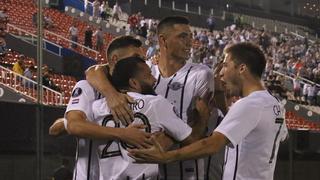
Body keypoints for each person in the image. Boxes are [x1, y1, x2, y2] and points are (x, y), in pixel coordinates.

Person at [85, 16, 222, 180]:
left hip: (185, 170)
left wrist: (162, 142)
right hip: (148, 170)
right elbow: (94, 71)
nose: (189, 42)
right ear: (163, 40)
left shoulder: (201, 74)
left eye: (190, 36)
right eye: (182, 36)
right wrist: (111, 95)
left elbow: (197, 120)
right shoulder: (144, 69)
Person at [129, 42, 289, 180]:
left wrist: (166, 157)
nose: (221, 72)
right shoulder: (274, 105)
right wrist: (219, 97)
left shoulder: (250, 104)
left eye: (226, 65)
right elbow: (262, 134)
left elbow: (212, 144)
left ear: (242, 68)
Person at [49, 36, 150, 180]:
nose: (140, 63)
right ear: (115, 59)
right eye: (135, 57)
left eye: (142, 58)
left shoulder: (141, 89)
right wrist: (122, 133)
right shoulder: (88, 87)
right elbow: (74, 125)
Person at [93, 56, 211, 180]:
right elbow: (192, 140)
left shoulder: (97, 107)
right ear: (133, 82)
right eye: (149, 75)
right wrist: (203, 117)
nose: (154, 79)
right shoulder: (155, 103)